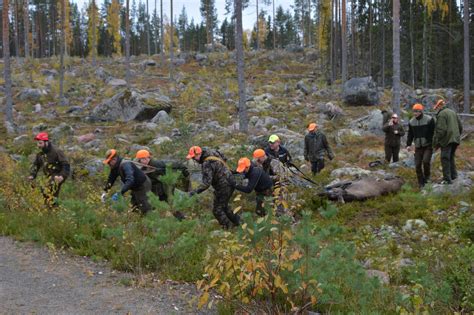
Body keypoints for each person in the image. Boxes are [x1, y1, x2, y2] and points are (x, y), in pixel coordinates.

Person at [186, 146, 240, 229]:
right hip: (231, 180)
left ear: (199, 154)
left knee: (217, 210)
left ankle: (229, 228)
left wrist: (193, 192)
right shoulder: (211, 150)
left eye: (194, 157)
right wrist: (221, 170)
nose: (193, 159)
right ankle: (239, 223)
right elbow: (224, 158)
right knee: (224, 206)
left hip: (223, 186)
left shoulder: (206, 163)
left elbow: (206, 184)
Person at [102, 149, 152, 214]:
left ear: (114, 159)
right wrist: (105, 192)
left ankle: (152, 220)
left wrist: (120, 193)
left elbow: (130, 180)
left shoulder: (126, 165)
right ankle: (138, 221)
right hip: (135, 186)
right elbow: (111, 179)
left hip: (143, 184)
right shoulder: (115, 167)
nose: (108, 164)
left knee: (144, 206)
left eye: (109, 162)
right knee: (134, 206)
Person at [28, 132, 70, 207]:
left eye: (40, 143)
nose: (38, 145)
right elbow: (36, 165)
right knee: (42, 189)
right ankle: (51, 208)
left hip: (59, 174)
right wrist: (32, 175)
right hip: (49, 176)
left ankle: (52, 208)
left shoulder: (57, 151)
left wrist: (62, 176)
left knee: (49, 189)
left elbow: (66, 165)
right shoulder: (40, 154)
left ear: (46, 142)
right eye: (37, 143)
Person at [432, 100, 463, 184]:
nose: (436, 109)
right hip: (455, 140)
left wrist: (435, 143)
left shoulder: (441, 114)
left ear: (439, 106)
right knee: (451, 157)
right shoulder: (453, 112)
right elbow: (460, 126)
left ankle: (447, 180)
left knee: (445, 158)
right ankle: (454, 176)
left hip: (446, 140)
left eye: (437, 107)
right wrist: (457, 136)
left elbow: (441, 130)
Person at [252, 149, 291, 216]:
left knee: (278, 208)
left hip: (278, 186)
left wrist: (266, 177)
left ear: (262, 157)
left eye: (258, 160)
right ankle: (264, 216)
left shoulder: (274, 163)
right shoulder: (260, 163)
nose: (257, 162)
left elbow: (282, 176)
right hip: (267, 187)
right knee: (260, 207)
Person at [406, 104, 436, 187]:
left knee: (426, 161)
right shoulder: (411, 122)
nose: (415, 113)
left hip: (428, 146)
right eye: (414, 111)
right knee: (417, 165)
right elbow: (410, 134)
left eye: (417, 111)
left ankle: (427, 178)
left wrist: (433, 143)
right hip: (418, 147)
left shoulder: (429, 120)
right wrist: (408, 144)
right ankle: (420, 182)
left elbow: (434, 132)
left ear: (421, 111)